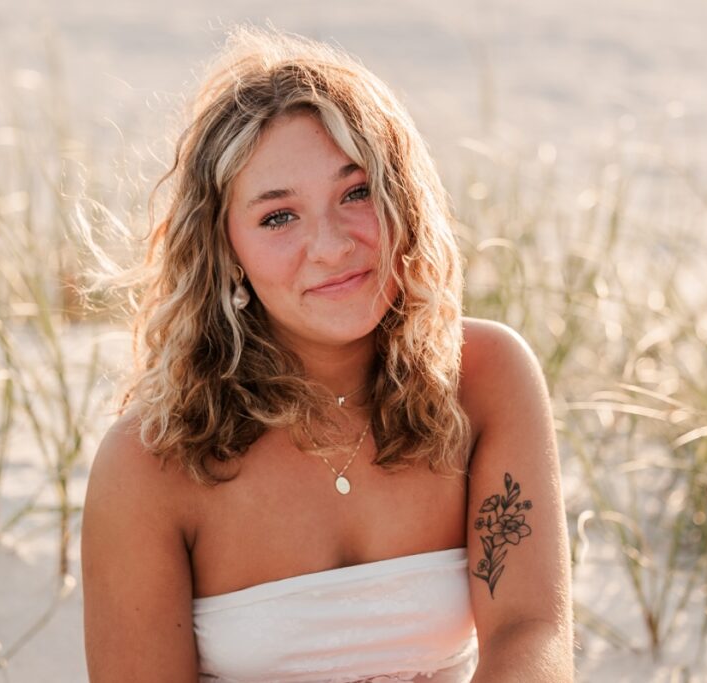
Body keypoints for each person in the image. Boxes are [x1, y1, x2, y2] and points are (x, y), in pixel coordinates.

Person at [81, 25, 574, 683]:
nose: (334, 244)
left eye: (357, 191)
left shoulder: (486, 378)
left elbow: (529, 629)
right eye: (279, 216)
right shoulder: (150, 463)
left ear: (403, 197)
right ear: (226, 252)